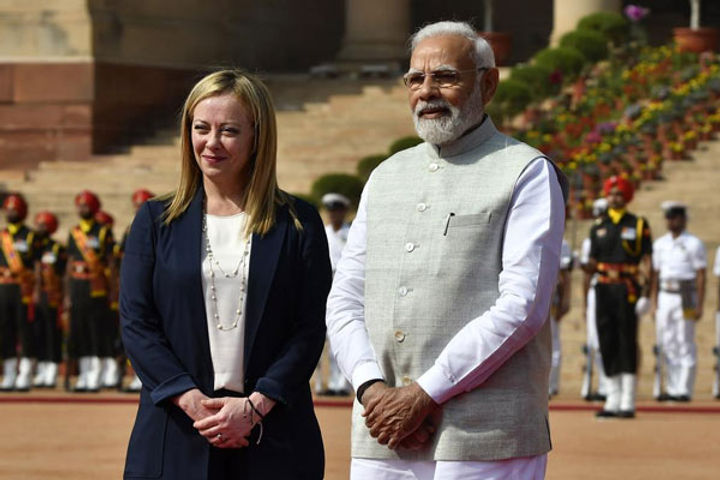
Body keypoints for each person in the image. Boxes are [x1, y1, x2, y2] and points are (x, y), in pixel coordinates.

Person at [326, 21, 567, 479]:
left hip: (484, 434)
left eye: (445, 77)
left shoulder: (526, 171)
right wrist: (372, 390)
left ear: (488, 84)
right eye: (415, 79)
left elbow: (522, 307)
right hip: (383, 431)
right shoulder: (385, 176)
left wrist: (424, 394)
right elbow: (345, 298)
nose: (427, 91)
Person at [120, 69, 331, 480]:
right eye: (201, 128)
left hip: (274, 436)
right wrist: (190, 400)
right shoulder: (154, 221)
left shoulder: (298, 223)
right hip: (176, 431)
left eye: (229, 130)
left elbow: (309, 328)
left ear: (257, 137)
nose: (211, 142)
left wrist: (256, 404)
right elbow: (136, 323)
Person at [588, 176, 652, 418]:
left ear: (626, 196)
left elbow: (648, 261)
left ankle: (628, 399)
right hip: (604, 288)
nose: (614, 198)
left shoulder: (638, 224)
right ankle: (612, 399)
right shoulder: (598, 227)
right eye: (611, 194)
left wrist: (646, 294)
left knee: (627, 340)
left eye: (618, 194)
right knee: (607, 340)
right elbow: (593, 262)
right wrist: (582, 264)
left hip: (628, 289)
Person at [650, 202, 706, 401]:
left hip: (686, 294)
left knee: (685, 340)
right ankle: (672, 387)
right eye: (668, 217)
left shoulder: (694, 243)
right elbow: (655, 275)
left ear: (683, 219)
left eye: (674, 217)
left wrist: (699, 304)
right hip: (665, 293)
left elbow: (701, 275)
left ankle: (684, 388)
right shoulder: (660, 244)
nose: (671, 221)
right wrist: (654, 302)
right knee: (667, 340)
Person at [65, 191, 115, 392]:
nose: (81, 209)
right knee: (80, 330)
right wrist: (67, 293)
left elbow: (111, 263)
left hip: (97, 288)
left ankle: (95, 375)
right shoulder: (73, 232)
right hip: (78, 287)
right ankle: (84, 375)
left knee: (96, 331)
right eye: (79, 205)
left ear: (93, 208)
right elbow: (69, 263)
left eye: (85, 205)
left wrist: (113, 289)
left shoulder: (103, 231)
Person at [314, 192, 352, 396]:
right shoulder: (322, 232)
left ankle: (341, 385)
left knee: (342, 337)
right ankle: (323, 383)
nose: (333, 215)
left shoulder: (351, 232)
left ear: (344, 211)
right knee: (322, 340)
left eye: (337, 211)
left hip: (344, 288)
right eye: (330, 211)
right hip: (324, 287)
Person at [0, 194, 37, 391]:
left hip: (23, 289)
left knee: (24, 329)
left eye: (14, 209)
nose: (10, 212)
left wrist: (36, 289)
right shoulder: (2, 236)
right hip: (4, 288)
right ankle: (9, 372)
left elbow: (37, 265)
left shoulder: (30, 235)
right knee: (5, 329)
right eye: (7, 209)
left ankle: (25, 373)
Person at [119, 189, 154, 392]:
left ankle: (148, 376)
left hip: (152, 283)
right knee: (134, 329)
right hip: (133, 282)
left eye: (142, 204)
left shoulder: (160, 224)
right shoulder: (129, 229)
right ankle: (135, 375)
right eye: (137, 205)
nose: (139, 208)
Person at [32, 212, 67, 388]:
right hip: (37, 294)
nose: (39, 228)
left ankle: (52, 369)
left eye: (43, 225)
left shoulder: (57, 248)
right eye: (38, 224)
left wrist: (64, 295)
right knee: (38, 331)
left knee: (52, 331)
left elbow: (63, 273)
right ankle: (41, 368)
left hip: (53, 294)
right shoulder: (34, 246)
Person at [580, 198, 609, 401]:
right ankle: (597, 385)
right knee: (594, 341)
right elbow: (587, 275)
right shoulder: (589, 241)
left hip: (611, 288)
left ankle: (607, 386)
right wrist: (584, 301)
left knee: (607, 339)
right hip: (595, 290)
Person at [549, 239, 572, 397]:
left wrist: (565, 301)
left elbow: (564, 275)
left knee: (553, 343)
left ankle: (551, 386)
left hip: (551, 299)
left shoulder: (561, 242)